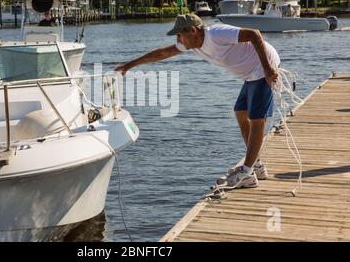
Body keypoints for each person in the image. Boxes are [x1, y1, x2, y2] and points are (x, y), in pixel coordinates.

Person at [115, 14, 280, 189]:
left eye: (180, 35)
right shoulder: (192, 44)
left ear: (193, 30)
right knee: (240, 113)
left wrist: (268, 70)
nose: (178, 39)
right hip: (250, 74)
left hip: (262, 68)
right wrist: (128, 66)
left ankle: (246, 173)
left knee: (256, 120)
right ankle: (256, 165)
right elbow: (163, 53)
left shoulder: (216, 33)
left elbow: (254, 34)